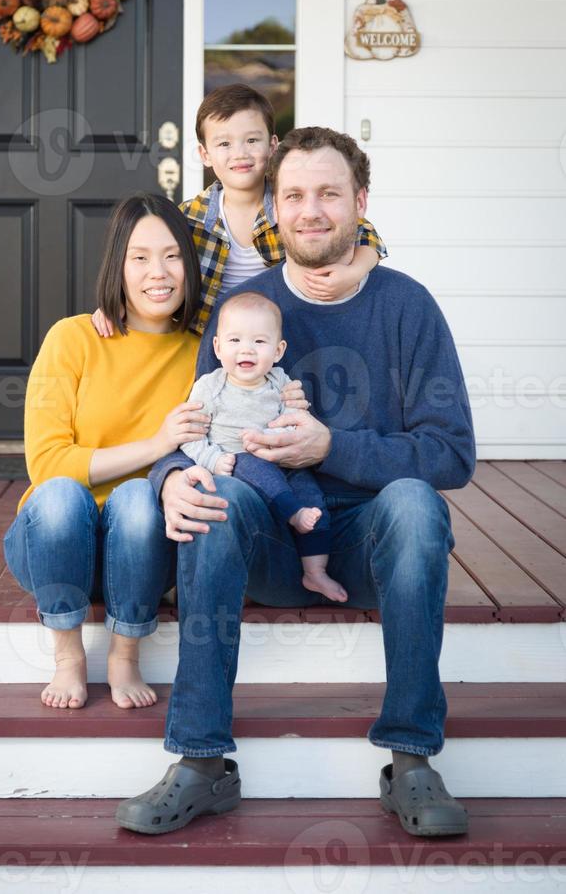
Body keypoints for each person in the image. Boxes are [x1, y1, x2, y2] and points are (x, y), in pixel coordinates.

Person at [115, 128, 476, 839]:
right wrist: (167, 480)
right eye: (294, 195)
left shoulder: (408, 306)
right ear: (274, 211)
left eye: (328, 193)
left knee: (414, 501)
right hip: (271, 548)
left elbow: (452, 453)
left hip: (372, 548)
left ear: (360, 202)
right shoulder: (243, 310)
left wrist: (330, 446)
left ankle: (410, 760)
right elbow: (197, 426)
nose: (310, 210)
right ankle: (201, 761)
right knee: (213, 494)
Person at [3, 193, 206, 711]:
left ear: (190, 262)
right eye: (138, 257)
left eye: (171, 255)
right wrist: (157, 443)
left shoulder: (203, 354)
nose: (157, 273)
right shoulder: (73, 338)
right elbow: (47, 464)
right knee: (61, 496)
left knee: (140, 497)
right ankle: (68, 656)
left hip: (141, 550)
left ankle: (124, 654)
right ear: (117, 266)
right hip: (54, 544)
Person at [91, 83, 388, 338]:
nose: (240, 153)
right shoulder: (189, 216)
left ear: (272, 145)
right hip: (212, 339)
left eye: (252, 140)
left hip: (281, 337)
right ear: (204, 154)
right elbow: (149, 259)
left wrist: (354, 271)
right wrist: (117, 302)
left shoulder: (291, 207)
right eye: (224, 143)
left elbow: (366, 234)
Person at [180, 290, 347, 603]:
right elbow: (191, 435)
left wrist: (287, 432)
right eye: (235, 341)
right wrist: (214, 460)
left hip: (283, 462)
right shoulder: (211, 386)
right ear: (217, 347)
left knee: (313, 495)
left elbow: (295, 418)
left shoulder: (280, 382)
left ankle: (315, 570)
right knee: (253, 464)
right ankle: (293, 514)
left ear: (278, 350)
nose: (247, 350)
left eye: (259, 342)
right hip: (237, 464)